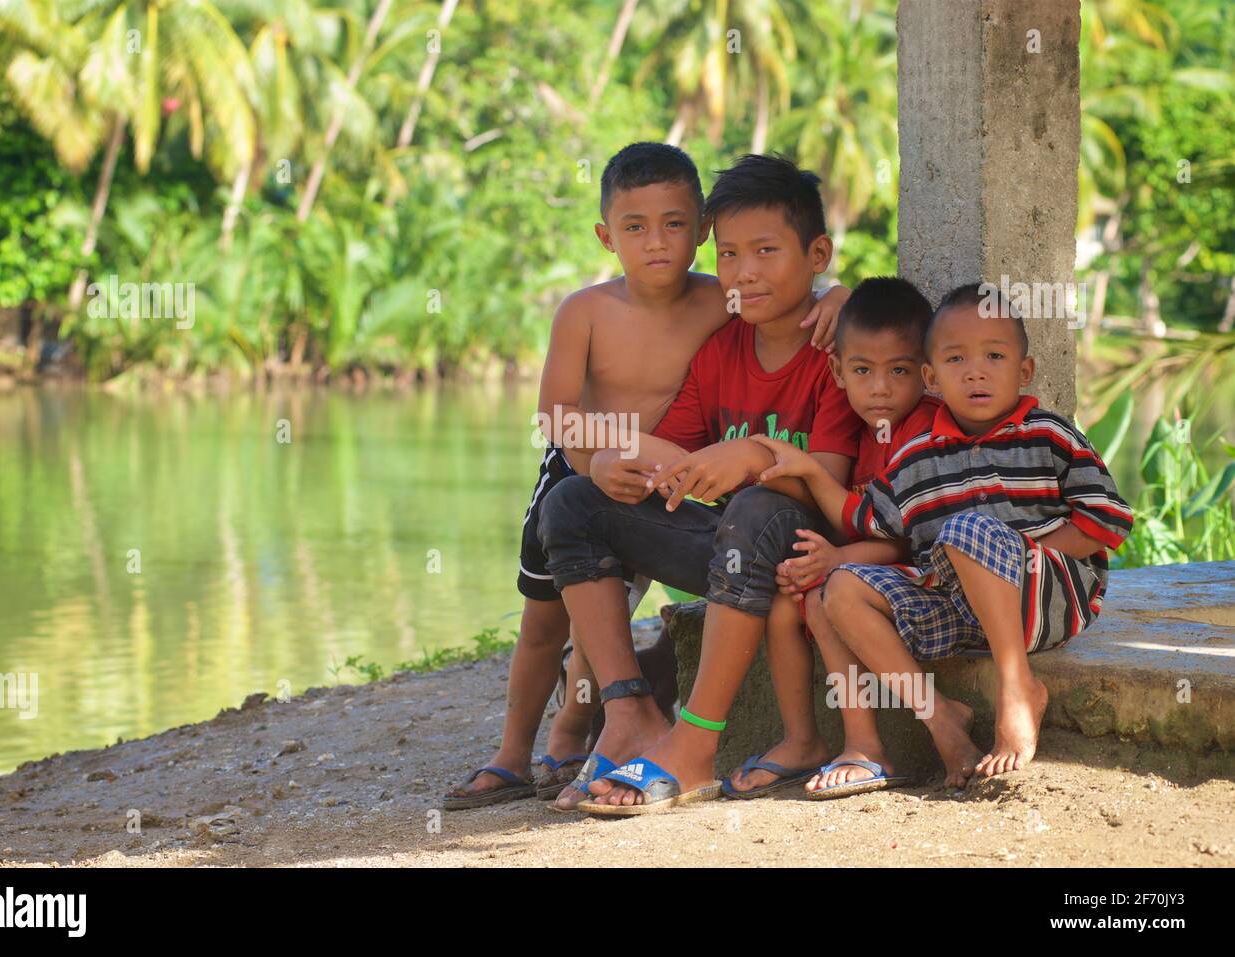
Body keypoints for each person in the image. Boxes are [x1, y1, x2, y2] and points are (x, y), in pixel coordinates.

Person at [444, 144, 848, 809]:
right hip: (644, 484)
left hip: (759, 516)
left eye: (676, 225)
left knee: (734, 517)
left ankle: (658, 735)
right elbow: (566, 418)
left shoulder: (774, 319)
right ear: (607, 236)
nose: (744, 271)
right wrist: (606, 464)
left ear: (696, 228)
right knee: (565, 547)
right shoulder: (630, 320)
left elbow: (809, 289)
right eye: (732, 254)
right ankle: (583, 727)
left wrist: (844, 300)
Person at [765, 284, 1133, 797]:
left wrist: (1024, 553)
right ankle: (941, 720)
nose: (975, 371)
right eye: (956, 359)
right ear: (932, 377)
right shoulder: (917, 456)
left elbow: (1108, 520)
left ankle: (1016, 684)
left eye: (994, 356)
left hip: (1045, 602)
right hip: (960, 612)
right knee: (840, 588)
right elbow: (867, 519)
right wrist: (808, 471)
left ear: (1024, 372)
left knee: (968, 528)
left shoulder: (1050, 437)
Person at [721, 277, 941, 798]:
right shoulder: (860, 429)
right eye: (862, 371)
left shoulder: (927, 429)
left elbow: (907, 537)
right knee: (783, 599)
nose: (880, 388)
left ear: (926, 374)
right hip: (868, 566)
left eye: (900, 371)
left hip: (928, 574)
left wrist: (837, 557)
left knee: (821, 596)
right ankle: (802, 739)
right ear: (839, 372)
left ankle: (865, 745)